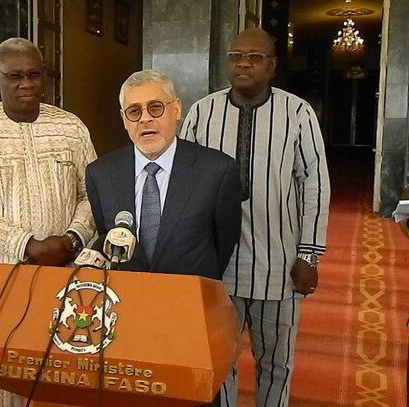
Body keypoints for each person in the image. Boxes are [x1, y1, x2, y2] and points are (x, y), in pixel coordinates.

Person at [181, 28, 331, 406]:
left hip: (278, 266)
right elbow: (184, 183)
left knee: (276, 364)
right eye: (236, 56)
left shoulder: (297, 113)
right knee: (219, 360)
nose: (244, 63)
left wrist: (309, 256)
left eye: (255, 56)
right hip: (218, 267)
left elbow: (315, 185)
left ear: (272, 66)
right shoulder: (202, 112)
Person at [0, 38, 97, 407]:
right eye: (15, 76)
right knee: (4, 379)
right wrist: (26, 244)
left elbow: (94, 194)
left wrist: (73, 238)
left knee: (64, 372)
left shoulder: (71, 128)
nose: (26, 83)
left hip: (65, 274)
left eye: (34, 74)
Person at [85, 70, 242, 407]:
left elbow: (224, 243)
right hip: (125, 321)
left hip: (191, 319)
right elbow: (109, 237)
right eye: (134, 111)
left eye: (155, 107)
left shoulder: (217, 171)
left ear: (177, 110)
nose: (145, 119)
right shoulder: (100, 174)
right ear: (123, 119)